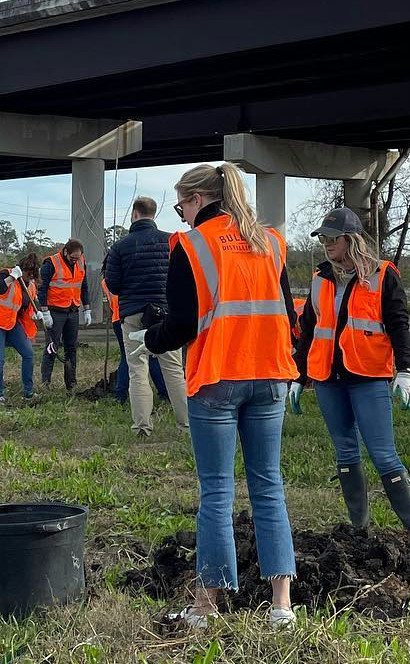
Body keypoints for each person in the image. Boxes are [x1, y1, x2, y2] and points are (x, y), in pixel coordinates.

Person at [131, 163, 299, 628]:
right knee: (269, 486)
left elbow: (183, 324)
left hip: (217, 378)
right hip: (270, 377)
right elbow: (287, 313)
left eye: (182, 204)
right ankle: (281, 606)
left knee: (217, 492)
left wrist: (151, 339)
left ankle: (207, 607)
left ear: (200, 199)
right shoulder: (271, 242)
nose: (180, 214)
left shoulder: (191, 245)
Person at [291, 208, 410, 530]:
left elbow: (399, 325)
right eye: (323, 238)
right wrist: (298, 375)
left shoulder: (382, 275)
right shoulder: (320, 278)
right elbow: (308, 328)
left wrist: (405, 371)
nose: (326, 244)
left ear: (351, 240)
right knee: (345, 451)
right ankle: (359, 530)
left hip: (368, 377)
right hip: (326, 379)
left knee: (383, 454)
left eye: (333, 238)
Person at [105, 196, 189, 434]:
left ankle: (142, 426)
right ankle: (186, 425)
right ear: (154, 214)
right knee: (173, 370)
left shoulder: (120, 246)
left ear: (134, 214)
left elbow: (113, 285)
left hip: (133, 313)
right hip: (166, 314)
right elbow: (183, 278)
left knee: (137, 370)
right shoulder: (172, 241)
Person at [0, 253, 43, 404]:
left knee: (28, 354)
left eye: (33, 276)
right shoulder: (6, 274)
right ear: (23, 270)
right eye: (29, 274)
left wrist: (36, 314)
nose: (30, 278)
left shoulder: (31, 286)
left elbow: (24, 308)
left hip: (11, 323)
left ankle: (28, 391)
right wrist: (12, 278)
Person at [103, 276, 169, 403]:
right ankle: (164, 393)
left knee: (128, 357)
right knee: (151, 356)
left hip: (120, 318)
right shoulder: (129, 279)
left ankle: (120, 394)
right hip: (135, 315)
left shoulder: (108, 281)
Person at [38, 239, 88, 390]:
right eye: (72, 258)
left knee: (71, 348)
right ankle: (45, 382)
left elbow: (83, 286)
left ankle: (71, 382)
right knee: (51, 347)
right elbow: (42, 288)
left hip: (72, 311)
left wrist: (87, 308)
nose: (75, 261)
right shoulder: (51, 263)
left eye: (77, 258)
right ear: (65, 252)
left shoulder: (80, 262)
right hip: (55, 312)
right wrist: (45, 312)